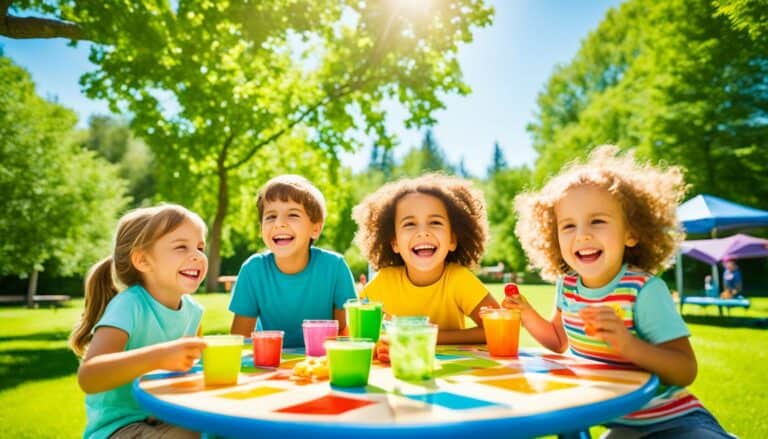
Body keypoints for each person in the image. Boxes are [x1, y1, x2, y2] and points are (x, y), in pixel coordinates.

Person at [506, 145, 731, 438]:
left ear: (631, 233)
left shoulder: (643, 291)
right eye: (568, 226)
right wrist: (526, 313)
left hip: (675, 420)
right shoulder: (569, 287)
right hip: (621, 424)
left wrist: (628, 345)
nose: (582, 235)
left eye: (597, 221)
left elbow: (685, 369)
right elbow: (559, 340)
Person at [69, 204, 209, 439]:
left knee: (226, 432)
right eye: (181, 247)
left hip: (167, 415)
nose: (197, 255)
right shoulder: (129, 305)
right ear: (143, 260)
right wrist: (160, 356)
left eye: (200, 247)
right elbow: (89, 377)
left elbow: (194, 371)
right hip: (119, 426)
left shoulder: (193, 312)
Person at [352, 173, 499, 360]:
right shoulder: (384, 281)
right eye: (410, 224)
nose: (423, 232)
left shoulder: (459, 279)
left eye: (435, 222)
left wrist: (424, 337)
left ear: (452, 240)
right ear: (395, 242)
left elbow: (497, 328)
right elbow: (357, 333)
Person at [229, 175, 356, 348]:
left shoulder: (335, 268)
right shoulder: (253, 270)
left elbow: (345, 335)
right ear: (261, 228)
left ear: (315, 229)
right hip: (271, 364)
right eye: (271, 216)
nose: (279, 223)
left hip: (320, 363)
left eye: (293, 215)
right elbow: (240, 343)